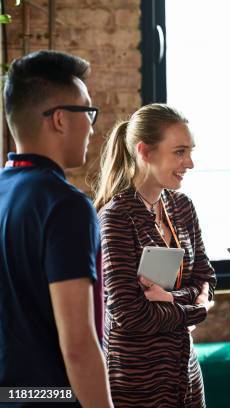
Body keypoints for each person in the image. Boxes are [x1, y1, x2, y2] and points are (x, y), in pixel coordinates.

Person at [0, 50, 113, 407]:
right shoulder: (64, 205)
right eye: (88, 112)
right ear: (60, 119)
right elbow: (78, 344)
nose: (93, 127)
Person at [93, 103, 216, 407]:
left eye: (190, 151)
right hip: (136, 384)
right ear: (145, 152)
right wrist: (195, 310)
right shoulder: (116, 218)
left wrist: (171, 298)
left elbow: (207, 280)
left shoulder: (183, 207)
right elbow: (128, 314)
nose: (190, 163)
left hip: (186, 378)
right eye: (180, 152)